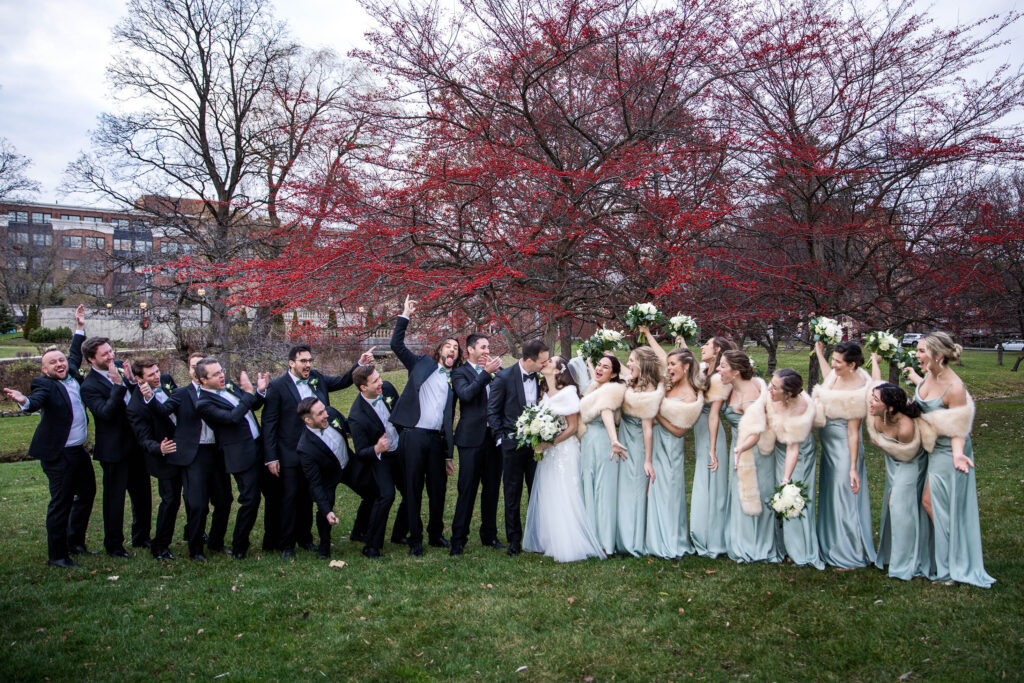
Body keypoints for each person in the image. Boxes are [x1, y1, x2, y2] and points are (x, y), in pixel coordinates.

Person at [261, 343, 375, 559]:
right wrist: (271, 457)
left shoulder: (317, 378)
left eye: (310, 360)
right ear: (291, 363)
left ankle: (305, 539)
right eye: (303, 361)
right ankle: (287, 545)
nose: (308, 365)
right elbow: (269, 423)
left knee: (307, 497)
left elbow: (342, 381)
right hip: (291, 453)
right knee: (290, 498)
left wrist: (359, 364)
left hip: (323, 451)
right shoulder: (277, 387)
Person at [3, 304, 96, 568]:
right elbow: (36, 401)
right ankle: (57, 555)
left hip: (78, 451)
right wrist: (25, 401)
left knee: (87, 494)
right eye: (53, 362)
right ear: (45, 370)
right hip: (58, 455)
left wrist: (79, 327)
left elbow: (75, 354)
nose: (59, 363)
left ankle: (75, 542)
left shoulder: (73, 376)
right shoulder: (44, 384)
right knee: (61, 503)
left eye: (61, 360)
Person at [905, 332, 994, 588]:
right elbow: (929, 398)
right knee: (933, 506)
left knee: (932, 504)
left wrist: (957, 454)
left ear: (938, 355)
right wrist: (914, 377)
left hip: (948, 451)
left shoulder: (955, 388)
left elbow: (959, 427)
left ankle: (950, 566)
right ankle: (937, 560)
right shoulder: (932, 376)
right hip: (929, 449)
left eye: (922, 351)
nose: (917, 354)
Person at [388, 296, 460, 556]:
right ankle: (415, 538)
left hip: (436, 442)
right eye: (448, 346)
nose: (452, 350)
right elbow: (395, 344)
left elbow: (449, 419)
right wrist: (405, 314)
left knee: (438, 490)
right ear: (440, 350)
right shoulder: (421, 364)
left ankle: (435, 535)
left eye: (456, 348)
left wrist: (448, 453)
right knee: (413, 489)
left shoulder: (455, 379)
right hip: (413, 437)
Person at [147, 353, 233, 560]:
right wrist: (148, 397)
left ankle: (216, 541)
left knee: (224, 499)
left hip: (217, 451)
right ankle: (195, 549)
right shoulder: (181, 394)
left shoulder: (221, 390)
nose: (196, 370)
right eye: (193, 367)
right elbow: (162, 411)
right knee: (198, 504)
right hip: (194, 454)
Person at [522, 356, 604, 562]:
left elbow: (573, 427)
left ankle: (569, 541)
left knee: (565, 491)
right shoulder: (546, 393)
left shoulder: (568, 393)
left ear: (559, 370)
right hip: (549, 452)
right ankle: (550, 538)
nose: (545, 363)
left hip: (564, 450)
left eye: (550, 362)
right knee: (549, 490)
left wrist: (551, 442)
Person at [80, 333, 151, 557]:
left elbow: (136, 402)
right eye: (105, 354)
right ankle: (114, 544)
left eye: (111, 351)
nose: (111, 356)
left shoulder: (120, 367)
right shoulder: (89, 385)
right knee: (115, 500)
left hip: (136, 444)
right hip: (113, 449)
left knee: (143, 495)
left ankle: (141, 537)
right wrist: (119, 386)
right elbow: (105, 414)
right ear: (92, 359)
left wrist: (131, 382)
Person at [195, 358, 270, 560]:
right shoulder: (203, 403)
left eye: (221, 371)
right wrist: (247, 393)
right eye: (216, 374)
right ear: (202, 380)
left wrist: (259, 392)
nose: (222, 376)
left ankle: (274, 539)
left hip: (258, 446)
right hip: (239, 454)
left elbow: (251, 406)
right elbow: (232, 418)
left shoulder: (227, 385)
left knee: (271, 493)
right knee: (250, 500)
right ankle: (239, 547)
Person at [812, 341, 875, 569]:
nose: (834, 364)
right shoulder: (837, 375)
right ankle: (829, 545)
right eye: (833, 359)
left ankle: (849, 554)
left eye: (839, 361)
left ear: (852, 364)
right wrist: (820, 353)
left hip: (844, 451)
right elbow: (829, 378)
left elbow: (853, 433)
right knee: (831, 496)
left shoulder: (859, 389)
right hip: (829, 449)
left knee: (844, 499)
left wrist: (852, 466)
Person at [866, 356, 930, 581]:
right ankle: (891, 555)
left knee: (901, 508)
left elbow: (908, 454)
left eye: (875, 400)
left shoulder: (905, 427)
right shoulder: (877, 414)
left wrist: (881, 443)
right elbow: (875, 383)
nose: (870, 403)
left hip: (910, 465)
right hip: (893, 464)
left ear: (890, 407)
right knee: (891, 509)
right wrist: (875, 360)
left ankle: (905, 565)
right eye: (872, 398)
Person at [487, 338, 551, 557]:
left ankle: (538, 537)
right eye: (543, 361)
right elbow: (493, 412)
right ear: (529, 360)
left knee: (538, 492)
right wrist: (501, 439)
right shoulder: (504, 378)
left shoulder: (542, 378)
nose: (546, 364)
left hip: (536, 447)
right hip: (511, 446)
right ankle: (514, 540)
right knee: (512, 493)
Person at [720, 350, 780, 564]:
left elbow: (757, 431)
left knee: (752, 494)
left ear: (736, 371)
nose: (719, 369)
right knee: (740, 494)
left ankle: (752, 545)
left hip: (750, 452)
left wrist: (739, 450)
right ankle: (742, 540)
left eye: (723, 366)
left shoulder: (748, 397)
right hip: (741, 446)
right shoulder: (733, 387)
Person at [295, 397, 375, 559]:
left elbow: (349, 427)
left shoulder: (331, 414)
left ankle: (359, 531)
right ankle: (324, 546)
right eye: (320, 414)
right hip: (327, 478)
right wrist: (327, 511)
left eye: (324, 410)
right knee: (325, 509)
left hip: (348, 465)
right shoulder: (305, 448)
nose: (326, 415)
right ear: (308, 420)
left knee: (372, 492)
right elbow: (315, 483)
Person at [449, 333, 505, 556]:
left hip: (494, 439)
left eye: (488, 346)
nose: (486, 350)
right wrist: (485, 373)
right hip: (471, 439)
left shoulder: (495, 372)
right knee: (467, 489)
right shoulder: (460, 372)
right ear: (470, 350)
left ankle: (489, 535)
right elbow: (466, 395)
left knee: (491, 489)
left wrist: (497, 373)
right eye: (482, 347)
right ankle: (458, 539)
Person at [348, 365, 409, 557]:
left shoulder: (388, 389)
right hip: (380, 458)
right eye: (375, 381)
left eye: (379, 377)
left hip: (399, 451)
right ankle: (371, 546)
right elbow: (360, 451)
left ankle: (399, 534)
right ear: (363, 388)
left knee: (411, 491)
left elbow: (401, 413)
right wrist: (376, 448)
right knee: (386, 495)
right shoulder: (356, 416)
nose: (381, 382)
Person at [646, 347, 701, 559]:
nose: (668, 368)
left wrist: (656, 414)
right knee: (654, 490)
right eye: (667, 364)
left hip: (671, 449)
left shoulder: (690, 397)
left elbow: (679, 432)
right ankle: (654, 539)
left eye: (673, 364)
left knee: (668, 492)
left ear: (686, 367)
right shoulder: (669, 388)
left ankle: (670, 541)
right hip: (657, 444)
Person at [766, 369, 823, 569]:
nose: (769, 389)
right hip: (781, 449)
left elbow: (793, 449)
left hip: (799, 455)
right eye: (771, 384)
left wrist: (786, 479)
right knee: (779, 496)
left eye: (774, 387)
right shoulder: (774, 393)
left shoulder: (800, 409)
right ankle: (781, 546)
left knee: (794, 495)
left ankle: (800, 549)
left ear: (789, 394)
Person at [125, 358, 180, 560]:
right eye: (151, 375)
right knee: (170, 499)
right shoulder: (135, 406)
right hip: (164, 455)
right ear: (138, 379)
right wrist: (160, 448)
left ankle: (197, 533)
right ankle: (160, 546)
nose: (157, 376)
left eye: (157, 371)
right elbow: (143, 439)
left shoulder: (166, 380)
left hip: (185, 448)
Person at [690, 336, 735, 558]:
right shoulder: (707, 372)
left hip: (711, 434)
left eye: (707, 344)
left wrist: (713, 448)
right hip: (701, 432)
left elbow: (714, 415)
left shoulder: (718, 378)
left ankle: (712, 538)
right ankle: (702, 531)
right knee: (703, 483)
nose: (703, 346)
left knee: (711, 486)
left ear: (717, 350)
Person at [577, 354, 627, 555]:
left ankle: (605, 543)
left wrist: (614, 439)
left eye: (605, 367)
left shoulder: (611, 391)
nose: (599, 369)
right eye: (599, 365)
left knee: (603, 491)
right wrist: (590, 364)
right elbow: (595, 381)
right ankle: (591, 537)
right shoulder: (596, 387)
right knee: (589, 487)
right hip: (589, 443)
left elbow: (606, 412)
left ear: (614, 373)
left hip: (603, 442)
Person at [616, 346, 663, 557]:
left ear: (643, 363)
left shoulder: (650, 389)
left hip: (636, 445)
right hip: (624, 441)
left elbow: (648, 428)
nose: (629, 364)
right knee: (624, 492)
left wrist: (647, 460)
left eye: (633, 360)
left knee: (634, 492)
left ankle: (633, 541)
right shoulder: (634, 382)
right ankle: (622, 537)